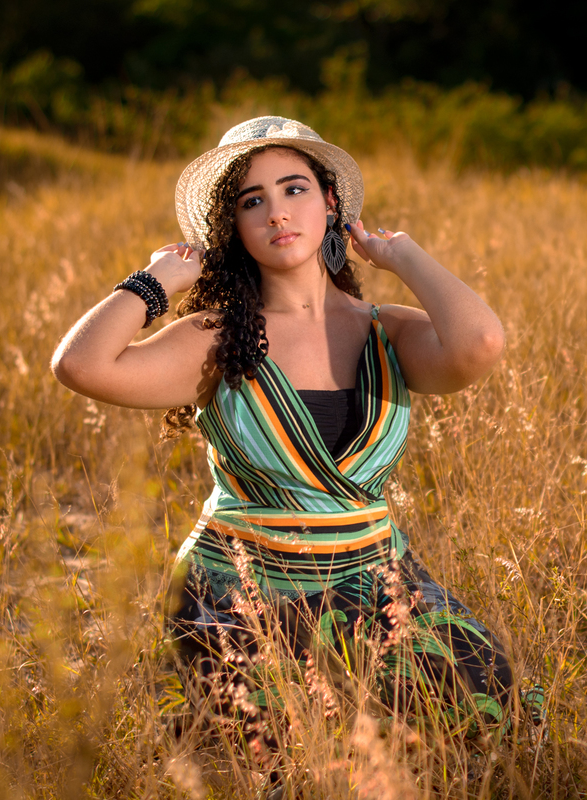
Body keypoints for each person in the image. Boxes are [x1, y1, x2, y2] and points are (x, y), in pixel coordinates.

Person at [51, 117, 530, 750]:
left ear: (331, 204)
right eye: (254, 201)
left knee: (495, 721)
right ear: (235, 229)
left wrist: (400, 255)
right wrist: (156, 282)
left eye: (295, 189)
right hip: (238, 590)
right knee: (276, 767)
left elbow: (481, 344)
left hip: (376, 576)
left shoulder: (385, 329)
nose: (277, 213)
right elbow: (79, 366)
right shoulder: (216, 338)